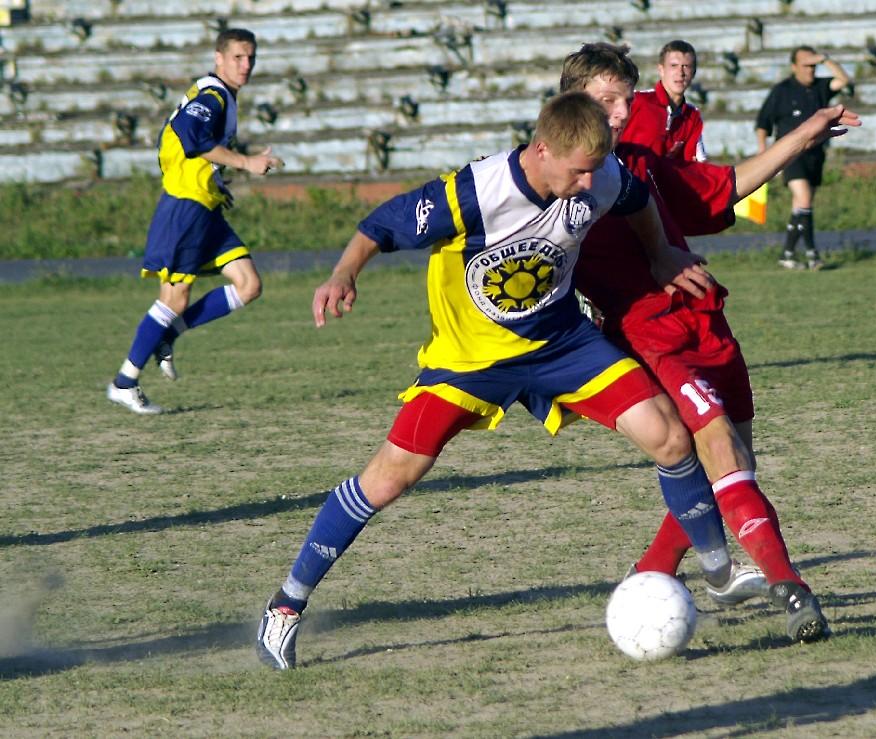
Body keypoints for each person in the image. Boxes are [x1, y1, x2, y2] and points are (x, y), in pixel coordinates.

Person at [257, 92, 741, 670]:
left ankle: (720, 571)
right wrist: (342, 274)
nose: (590, 183)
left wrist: (660, 253)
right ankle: (284, 609)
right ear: (542, 150)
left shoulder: (601, 175)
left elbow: (636, 199)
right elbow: (382, 223)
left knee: (669, 436)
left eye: (595, 169)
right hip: (470, 360)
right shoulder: (475, 193)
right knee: (388, 479)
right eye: (579, 170)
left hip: (561, 343)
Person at [561, 42, 860, 643]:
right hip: (649, 336)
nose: (621, 113)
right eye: (607, 100)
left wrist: (805, 133)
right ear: (571, 103)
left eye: (626, 99)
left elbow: (723, 186)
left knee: (733, 466)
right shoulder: (549, 184)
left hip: (707, 320)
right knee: (717, 444)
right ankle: (792, 587)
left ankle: (649, 573)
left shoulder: (640, 164)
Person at [106, 27, 283, 414]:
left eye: (251, 57)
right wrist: (246, 162)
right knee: (174, 297)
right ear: (219, 58)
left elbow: (196, 144)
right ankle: (124, 382)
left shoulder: (222, 97)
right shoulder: (213, 95)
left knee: (249, 284)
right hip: (186, 206)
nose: (246, 64)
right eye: (238, 57)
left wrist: (225, 173)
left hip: (206, 204)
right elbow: (190, 137)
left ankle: (167, 337)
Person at [755, 46, 851, 270]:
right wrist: (763, 152)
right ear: (794, 67)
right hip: (790, 153)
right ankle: (813, 255)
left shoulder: (820, 87)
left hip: (816, 154)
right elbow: (763, 123)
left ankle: (787, 254)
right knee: (804, 198)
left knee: (801, 206)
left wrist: (826, 58)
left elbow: (843, 80)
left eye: (813, 66)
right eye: (806, 65)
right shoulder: (782, 90)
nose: (811, 71)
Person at [623, 39, 707, 162]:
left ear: (693, 72)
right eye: (674, 66)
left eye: (686, 66)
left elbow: (700, 164)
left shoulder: (692, 116)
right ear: (661, 70)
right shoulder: (636, 101)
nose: (680, 73)